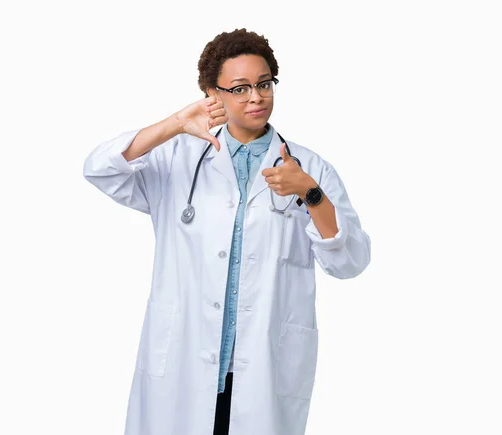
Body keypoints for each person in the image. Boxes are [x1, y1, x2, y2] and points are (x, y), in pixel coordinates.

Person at [83, 28, 371, 435]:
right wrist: (174, 124)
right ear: (211, 93)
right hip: (184, 360)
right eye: (239, 88)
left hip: (263, 367)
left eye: (264, 83)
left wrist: (309, 193)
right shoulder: (178, 158)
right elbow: (100, 168)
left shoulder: (309, 168)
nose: (256, 97)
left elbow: (351, 262)